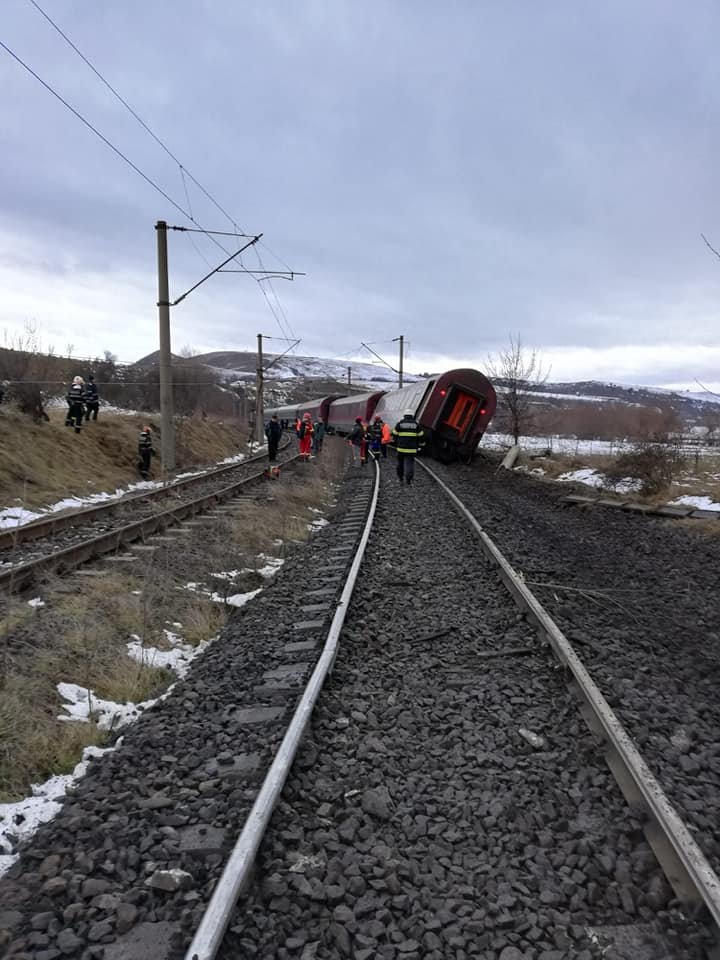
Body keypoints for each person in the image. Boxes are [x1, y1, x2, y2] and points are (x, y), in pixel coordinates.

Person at [392, 410, 424, 485]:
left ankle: (400, 478)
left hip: (401, 448)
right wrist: (420, 444)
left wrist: (397, 441)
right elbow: (421, 436)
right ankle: (408, 480)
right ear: (412, 416)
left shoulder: (400, 424)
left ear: (404, 415)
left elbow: (394, 434)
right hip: (412, 449)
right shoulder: (416, 424)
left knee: (400, 463)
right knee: (410, 463)